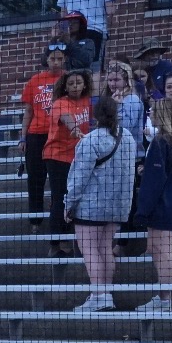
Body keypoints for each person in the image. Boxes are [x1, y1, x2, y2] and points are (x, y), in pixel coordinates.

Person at [66, 94, 139, 313]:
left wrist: (68, 204)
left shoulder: (90, 140)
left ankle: (99, 295)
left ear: (95, 115)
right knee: (105, 249)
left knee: (89, 250)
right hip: (118, 205)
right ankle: (105, 294)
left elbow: (79, 177)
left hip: (91, 205)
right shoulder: (127, 137)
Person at [135, 95, 172, 314]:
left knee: (162, 250)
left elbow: (155, 181)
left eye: (153, 111)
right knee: (162, 250)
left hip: (163, 204)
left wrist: (143, 210)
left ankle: (164, 298)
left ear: (162, 115)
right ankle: (163, 297)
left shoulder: (161, 141)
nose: (150, 115)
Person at [18, 47, 70, 232]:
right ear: (46, 60)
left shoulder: (68, 80)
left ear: (64, 60)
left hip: (60, 135)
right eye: (52, 58)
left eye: (59, 58)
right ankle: (35, 219)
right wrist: (22, 138)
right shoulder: (35, 80)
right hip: (36, 134)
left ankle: (59, 215)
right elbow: (28, 111)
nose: (56, 62)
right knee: (35, 178)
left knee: (60, 179)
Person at [45, 70, 95, 256]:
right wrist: (74, 129)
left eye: (78, 83)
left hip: (78, 156)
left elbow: (90, 123)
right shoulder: (60, 103)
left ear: (84, 85)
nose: (75, 86)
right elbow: (66, 118)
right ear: (65, 86)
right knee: (61, 198)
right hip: (57, 156)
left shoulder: (86, 101)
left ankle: (73, 239)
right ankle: (56, 243)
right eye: (71, 83)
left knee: (76, 198)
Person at [58, 0, 115, 68]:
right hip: (95, 30)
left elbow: (63, 13)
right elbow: (110, 11)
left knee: (72, 65)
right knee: (94, 67)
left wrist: (64, 33)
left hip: (74, 31)